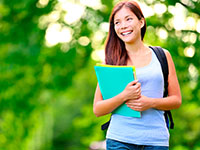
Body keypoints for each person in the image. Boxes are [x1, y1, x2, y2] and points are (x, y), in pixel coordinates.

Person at [93, 0, 182, 149]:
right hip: (119, 140)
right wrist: (124, 96)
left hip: (156, 141)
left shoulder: (162, 56)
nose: (123, 26)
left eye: (128, 19)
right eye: (117, 22)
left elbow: (176, 100)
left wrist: (150, 102)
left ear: (141, 22)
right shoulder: (112, 62)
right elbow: (98, 109)